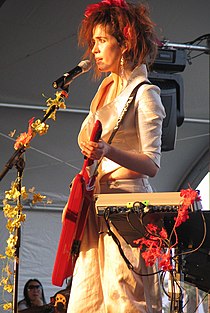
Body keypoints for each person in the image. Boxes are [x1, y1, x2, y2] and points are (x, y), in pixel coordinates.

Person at [64, 0, 166, 312]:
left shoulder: (145, 94)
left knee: (125, 296)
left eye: (101, 41)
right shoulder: (105, 89)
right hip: (96, 206)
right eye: (93, 42)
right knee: (89, 296)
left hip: (128, 209)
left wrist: (108, 151)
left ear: (125, 43)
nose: (93, 50)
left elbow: (151, 164)